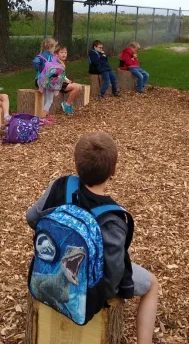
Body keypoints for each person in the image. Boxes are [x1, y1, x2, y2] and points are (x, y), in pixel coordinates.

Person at [26, 132, 159, 344]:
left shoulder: (60, 185)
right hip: (88, 289)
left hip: (50, 269)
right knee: (152, 285)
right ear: (113, 170)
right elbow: (113, 275)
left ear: (76, 163)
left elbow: (32, 218)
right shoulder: (113, 217)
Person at [33, 37, 60, 126]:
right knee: (49, 100)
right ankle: (42, 118)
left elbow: (35, 62)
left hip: (39, 80)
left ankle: (46, 115)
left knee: (45, 98)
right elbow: (58, 69)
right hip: (49, 82)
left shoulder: (40, 56)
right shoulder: (54, 57)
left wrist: (41, 70)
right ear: (52, 47)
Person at [55, 45, 81, 115]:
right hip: (57, 84)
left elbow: (61, 74)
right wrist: (65, 80)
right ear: (56, 54)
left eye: (65, 52)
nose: (64, 54)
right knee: (77, 87)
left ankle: (68, 104)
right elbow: (57, 75)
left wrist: (66, 79)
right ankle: (67, 104)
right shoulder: (57, 63)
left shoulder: (61, 62)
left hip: (60, 82)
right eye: (62, 52)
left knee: (78, 86)